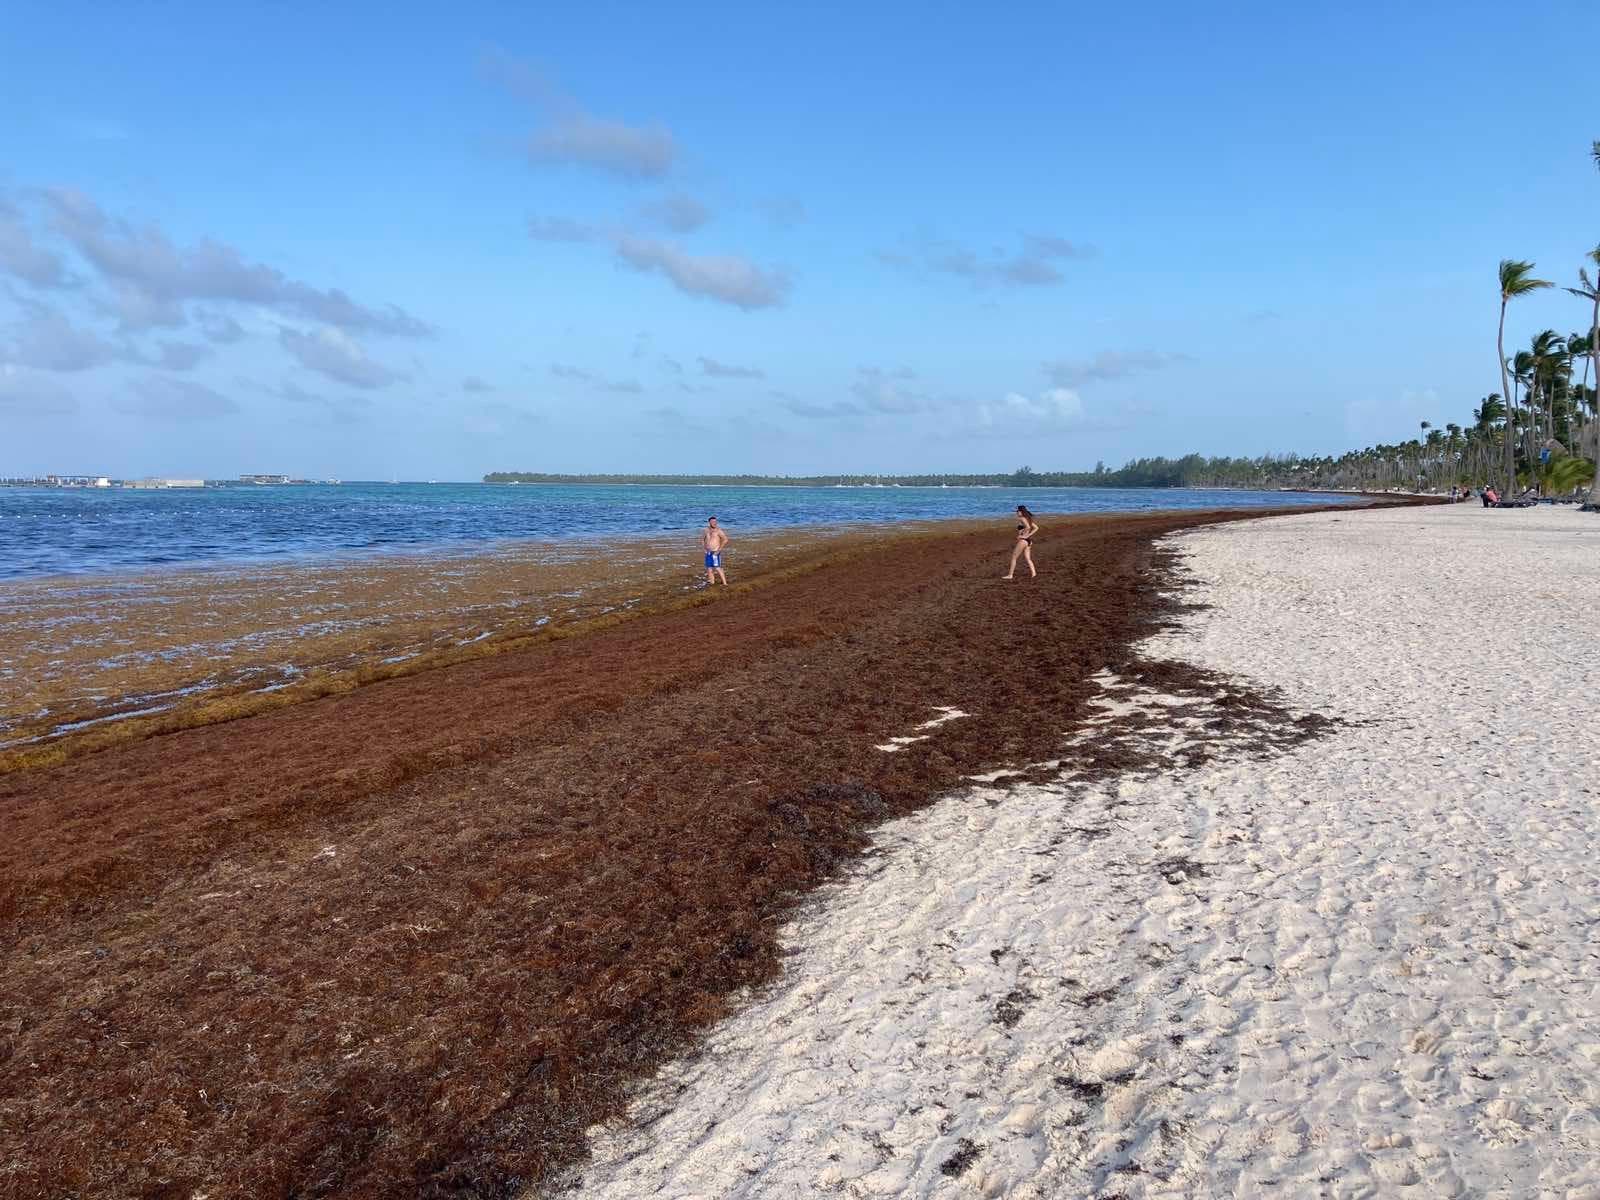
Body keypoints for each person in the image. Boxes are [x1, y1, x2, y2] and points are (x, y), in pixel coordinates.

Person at [1004, 505, 1039, 579]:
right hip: (1029, 541)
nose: (1016, 513)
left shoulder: (1022, 518)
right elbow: (1036, 528)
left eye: (1017, 511)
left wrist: (1023, 536)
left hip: (1023, 541)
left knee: (1014, 557)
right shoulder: (1027, 519)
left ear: (1021, 512)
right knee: (1028, 558)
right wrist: (1027, 535)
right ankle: (1034, 573)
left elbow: (1028, 527)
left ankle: (1010, 575)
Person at [700, 515, 729, 586]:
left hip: (715, 552)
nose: (714, 523)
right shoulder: (706, 530)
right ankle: (712, 582)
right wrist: (704, 549)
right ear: (709, 522)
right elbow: (702, 540)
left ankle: (725, 583)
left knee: (717, 568)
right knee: (709, 568)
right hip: (708, 552)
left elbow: (725, 540)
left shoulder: (718, 530)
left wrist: (719, 550)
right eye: (712, 521)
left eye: (715, 521)